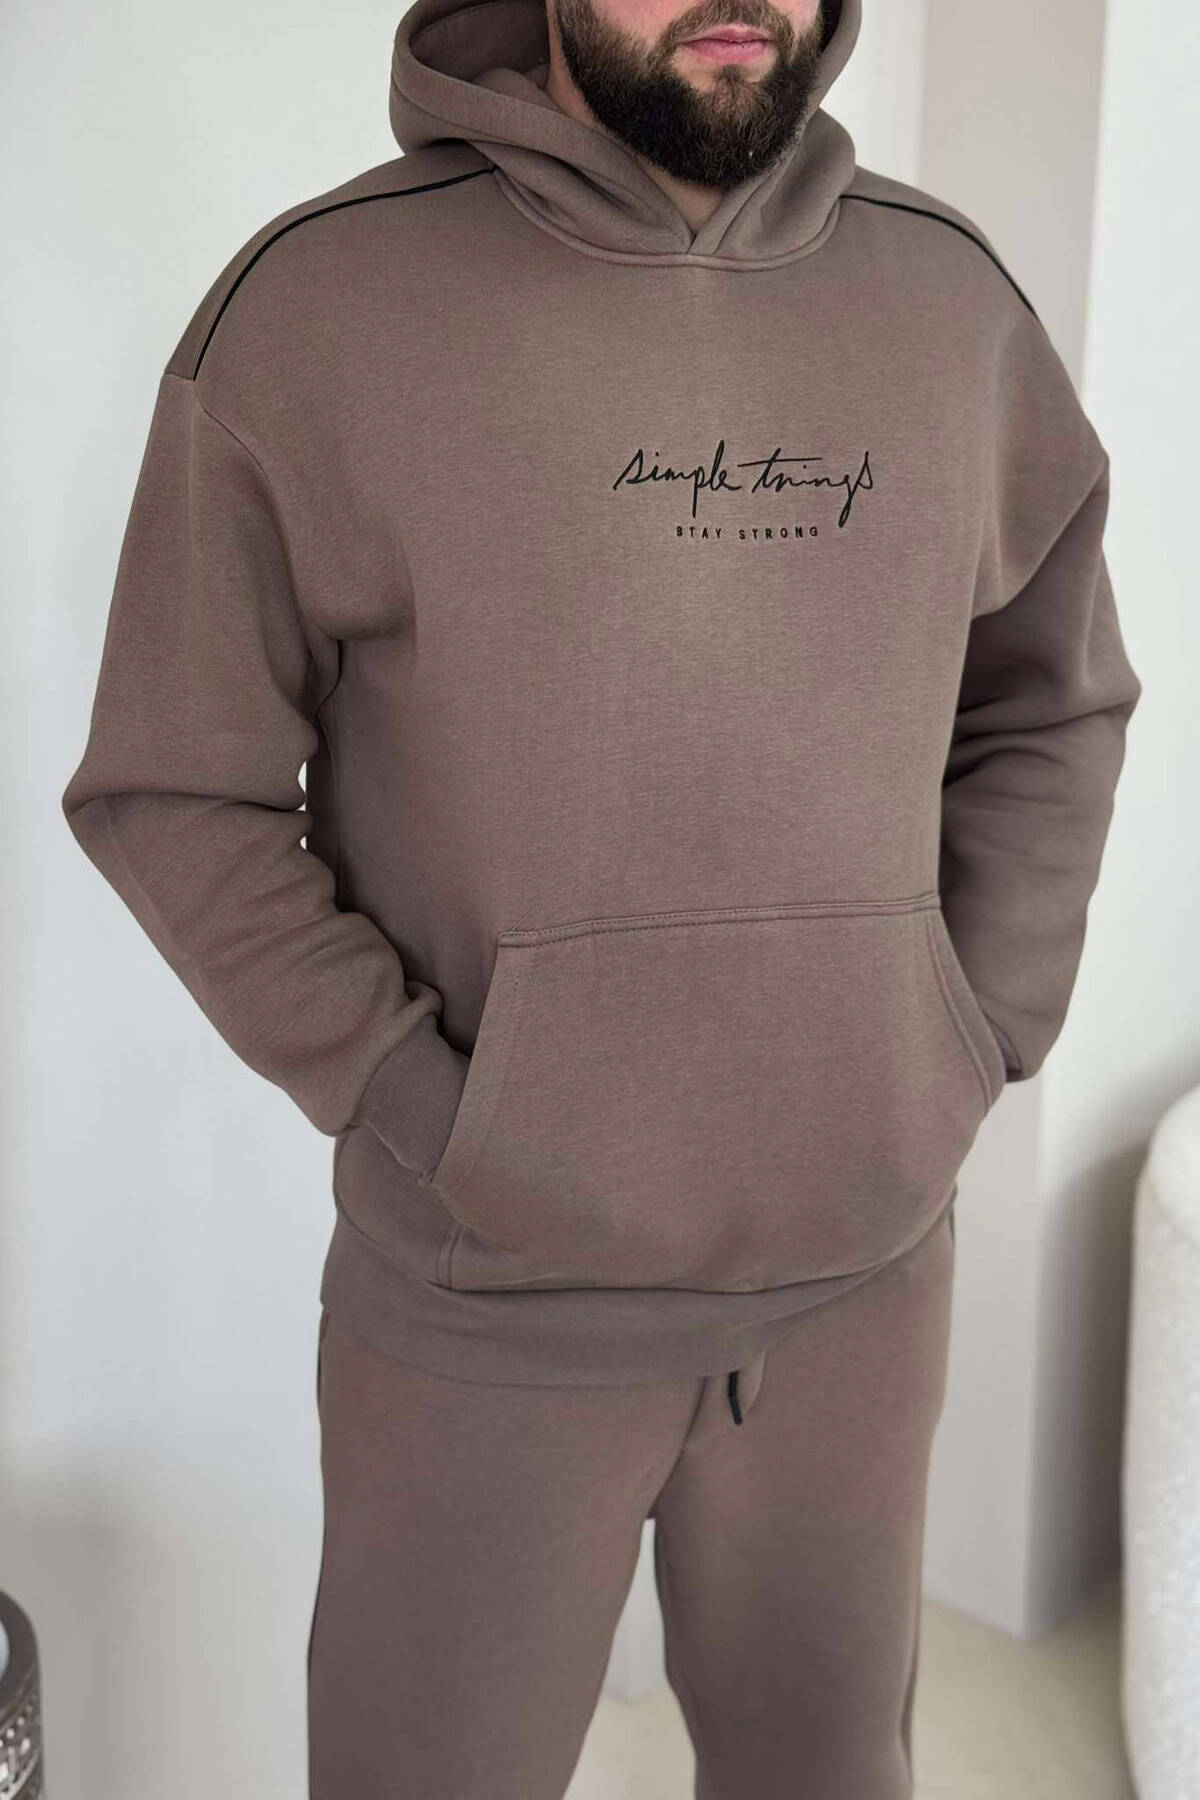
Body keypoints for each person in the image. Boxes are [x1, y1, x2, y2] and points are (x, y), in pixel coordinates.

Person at [60, 0, 1143, 1792]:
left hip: (860, 1291)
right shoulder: (319, 309)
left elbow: (1053, 696)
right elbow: (176, 786)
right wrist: (430, 1106)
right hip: (483, 1305)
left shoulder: (951, 303)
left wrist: (969, 1032)